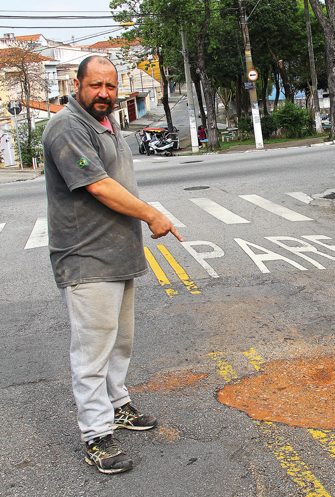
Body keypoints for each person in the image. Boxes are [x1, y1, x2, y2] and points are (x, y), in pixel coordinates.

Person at [42, 55, 183, 475]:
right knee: (91, 351)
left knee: (119, 342)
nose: (104, 93)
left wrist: (144, 214)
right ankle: (95, 436)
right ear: (78, 84)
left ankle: (117, 404)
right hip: (87, 256)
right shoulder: (68, 126)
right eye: (95, 86)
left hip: (117, 253)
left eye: (110, 86)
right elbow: (100, 187)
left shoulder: (105, 122)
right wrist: (152, 215)